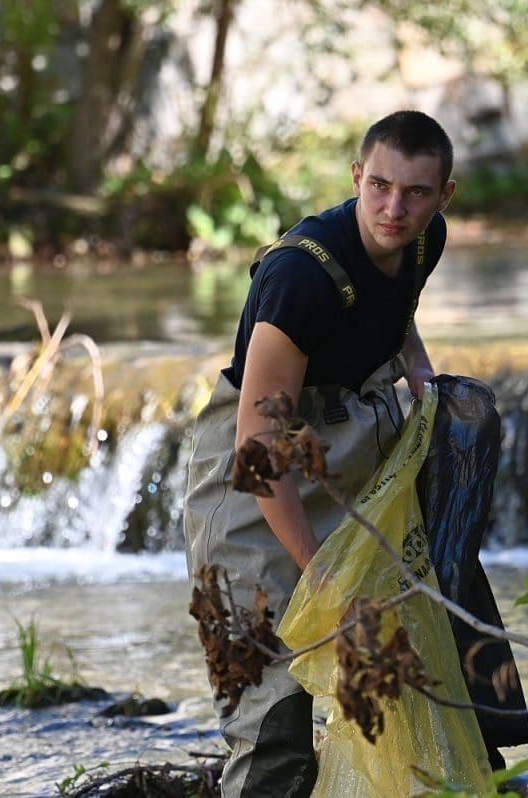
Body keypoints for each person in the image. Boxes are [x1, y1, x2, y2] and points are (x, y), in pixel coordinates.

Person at [183, 109, 457, 798]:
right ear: (356, 176)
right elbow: (257, 446)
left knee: (390, 692)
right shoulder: (300, 279)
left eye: (416, 193)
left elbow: (395, 305)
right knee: (273, 721)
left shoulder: (424, 239)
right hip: (253, 487)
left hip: (348, 463)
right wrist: (322, 577)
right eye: (380, 187)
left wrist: (417, 365)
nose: (395, 210)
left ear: (443, 197)